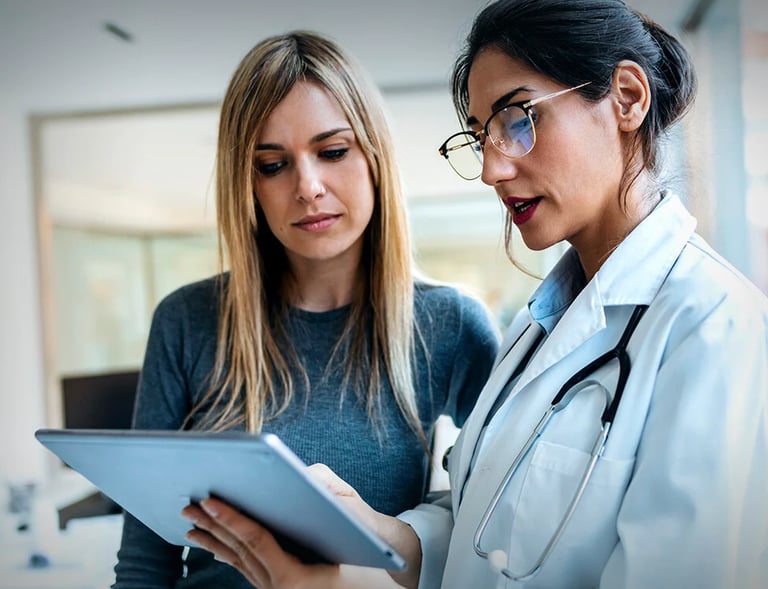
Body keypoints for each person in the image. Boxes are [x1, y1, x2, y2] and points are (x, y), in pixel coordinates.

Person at [179, 1, 768, 588]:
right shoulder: (537, 330)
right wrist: (377, 530)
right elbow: (480, 531)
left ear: (627, 99)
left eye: (518, 119)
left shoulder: (712, 324)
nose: (491, 169)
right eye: (483, 136)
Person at [111, 29, 501, 588]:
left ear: (374, 156)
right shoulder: (187, 321)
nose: (308, 187)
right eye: (273, 165)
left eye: (333, 152)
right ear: (248, 184)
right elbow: (144, 563)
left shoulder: (449, 326)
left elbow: (500, 524)